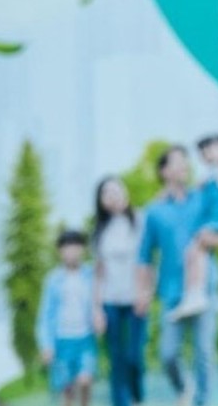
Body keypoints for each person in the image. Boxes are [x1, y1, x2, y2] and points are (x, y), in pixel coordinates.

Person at [137, 145, 218, 406]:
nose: (184, 165)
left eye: (185, 161)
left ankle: (202, 402)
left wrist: (209, 240)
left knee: (204, 352)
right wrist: (143, 292)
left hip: (204, 288)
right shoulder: (154, 211)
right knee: (168, 354)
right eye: (177, 161)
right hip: (172, 292)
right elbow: (145, 257)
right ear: (164, 171)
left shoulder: (202, 198)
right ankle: (184, 389)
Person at [169, 130, 218, 321]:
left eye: (211, 149)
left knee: (197, 246)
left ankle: (197, 295)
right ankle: (192, 294)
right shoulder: (208, 175)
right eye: (203, 152)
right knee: (192, 252)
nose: (207, 155)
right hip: (213, 219)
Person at [91, 174, 148, 406]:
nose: (113, 195)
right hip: (110, 301)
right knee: (116, 359)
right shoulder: (99, 231)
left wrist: (145, 292)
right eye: (107, 192)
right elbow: (98, 273)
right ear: (101, 200)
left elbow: (147, 262)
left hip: (136, 299)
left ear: (125, 192)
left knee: (134, 356)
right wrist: (96, 309)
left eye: (116, 189)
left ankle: (137, 396)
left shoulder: (140, 221)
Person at [36, 229, 96, 406]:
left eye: (75, 246)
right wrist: (46, 345)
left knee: (85, 380)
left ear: (83, 249)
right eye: (67, 247)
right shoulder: (53, 280)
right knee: (67, 389)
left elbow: (98, 302)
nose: (71, 252)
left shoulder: (90, 275)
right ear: (60, 251)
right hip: (62, 341)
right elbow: (45, 315)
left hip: (85, 338)